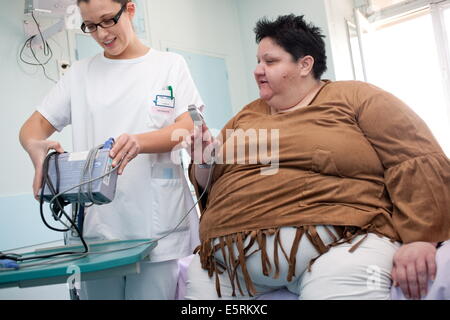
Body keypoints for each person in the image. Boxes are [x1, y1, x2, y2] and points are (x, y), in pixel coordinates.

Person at [182, 14, 450, 300]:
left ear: (305, 64)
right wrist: (202, 160)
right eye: (258, 61)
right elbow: (209, 186)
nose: (258, 70)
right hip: (225, 266)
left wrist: (420, 238)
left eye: (270, 62)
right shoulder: (244, 117)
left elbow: (414, 158)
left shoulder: (356, 98)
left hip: (340, 247)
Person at [19, 0, 203, 300]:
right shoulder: (80, 73)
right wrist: (34, 147)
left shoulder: (169, 65)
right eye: (90, 25)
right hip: (98, 233)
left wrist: (141, 142)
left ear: (130, 10)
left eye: (108, 20)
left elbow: (189, 127)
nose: (101, 33)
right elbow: (32, 128)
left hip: (158, 227)